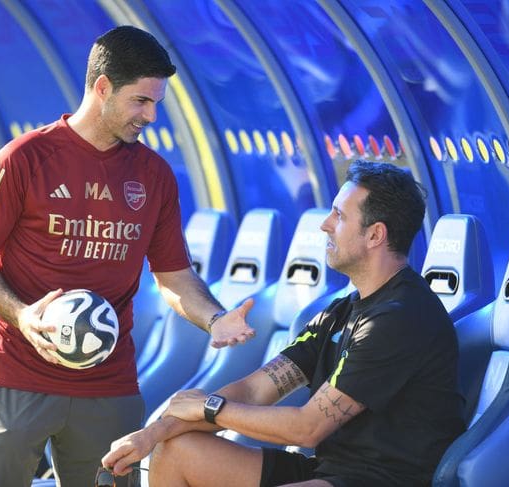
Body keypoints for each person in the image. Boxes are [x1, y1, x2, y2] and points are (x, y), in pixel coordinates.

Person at [0, 25, 255, 487]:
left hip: (109, 388)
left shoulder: (155, 175)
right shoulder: (24, 158)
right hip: (17, 375)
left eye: (157, 103)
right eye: (141, 101)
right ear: (102, 88)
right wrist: (22, 316)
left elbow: (174, 276)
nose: (152, 116)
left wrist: (215, 319)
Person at [102, 160, 466, 487]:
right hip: (330, 470)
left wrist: (209, 407)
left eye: (339, 216)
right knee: (175, 450)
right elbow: (254, 391)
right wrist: (152, 433)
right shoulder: (341, 311)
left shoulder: (400, 317)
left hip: (386, 481)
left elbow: (308, 428)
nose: (325, 225)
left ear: (375, 235)